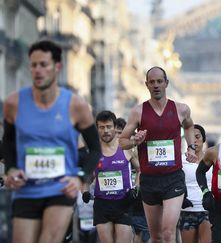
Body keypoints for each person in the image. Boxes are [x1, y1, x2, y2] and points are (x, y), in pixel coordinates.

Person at [2, 40, 101, 243]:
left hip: (60, 188)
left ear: (57, 67)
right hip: (26, 189)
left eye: (44, 64)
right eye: (34, 65)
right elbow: (8, 143)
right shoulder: (14, 103)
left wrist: (80, 178)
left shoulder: (76, 105)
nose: (38, 70)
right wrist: (11, 169)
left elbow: (95, 149)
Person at [119, 66, 198, 243]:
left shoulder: (181, 109)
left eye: (159, 81)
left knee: (168, 233)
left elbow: (189, 126)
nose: (156, 85)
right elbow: (122, 141)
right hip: (149, 180)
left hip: (173, 178)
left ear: (166, 83)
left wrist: (191, 147)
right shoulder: (138, 112)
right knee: (156, 237)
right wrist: (134, 141)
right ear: (146, 85)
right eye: (152, 82)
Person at [83, 110, 140, 243]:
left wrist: (136, 187)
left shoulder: (125, 147)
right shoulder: (94, 152)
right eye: (102, 127)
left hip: (123, 202)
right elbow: (87, 176)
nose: (106, 131)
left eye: (109, 127)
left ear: (115, 128)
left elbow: (140, 169)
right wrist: (85, 190)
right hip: (102, 204)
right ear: (97, 129)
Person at [179, 124, 212, 243]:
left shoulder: (211, 160)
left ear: (204, 139)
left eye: (197, 137)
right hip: (187, 210)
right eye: (191, 137)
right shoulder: (180, 160)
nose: (194, 141)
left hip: (208, 210)